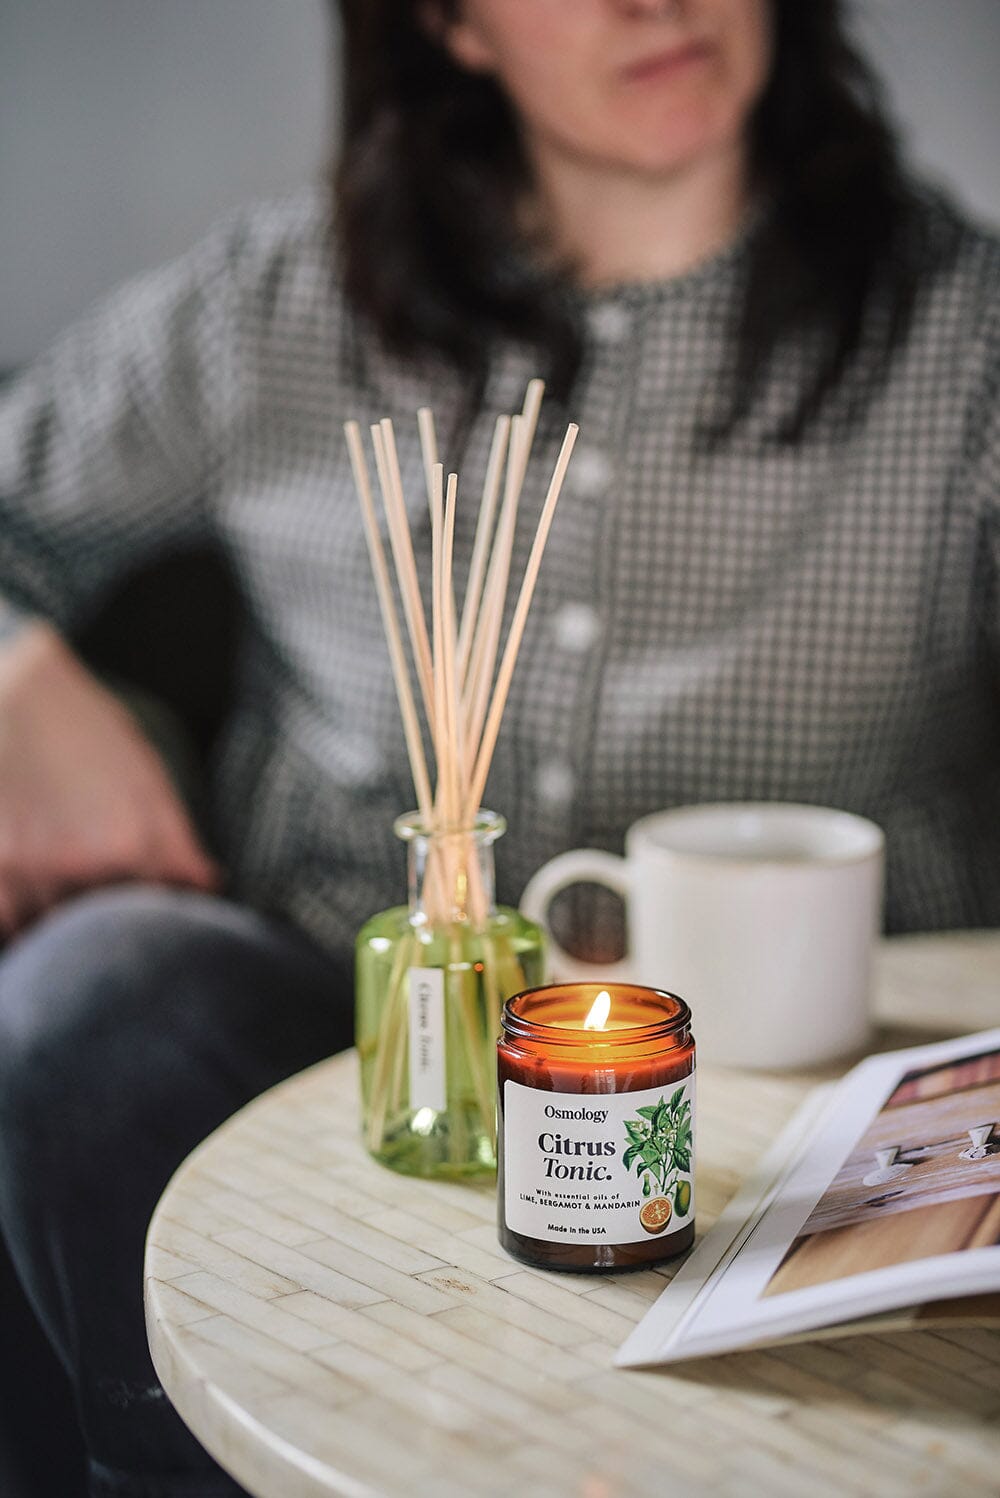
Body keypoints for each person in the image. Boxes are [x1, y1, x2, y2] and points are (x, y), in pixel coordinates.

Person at [1, 0, 998, 1492]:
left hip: (798, 1079)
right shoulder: (278, 308)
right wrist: (20, 680)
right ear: (449, 25)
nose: (652, 3)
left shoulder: (961, 334)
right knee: (91, 1000)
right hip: (318, 1032)